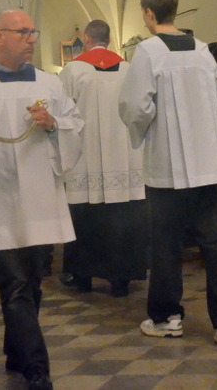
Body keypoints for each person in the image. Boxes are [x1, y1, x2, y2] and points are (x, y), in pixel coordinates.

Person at [0, 10, 83, 390]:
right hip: (0, 196)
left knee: (34, 281)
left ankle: (15, 351)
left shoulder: (50, 83)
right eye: (22, 32)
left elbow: (75, 124)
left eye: (32, 32)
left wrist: (53, 124)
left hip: (40, 196)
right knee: (15, 283)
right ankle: (37, 368)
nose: (31, 39)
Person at [118, 0, 217, 346]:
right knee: (214, 243)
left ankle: (167, 317)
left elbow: (136, 107)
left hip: (167, 168)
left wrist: (146, 132)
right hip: (206, 166)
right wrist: (203, 138)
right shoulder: (203, 50)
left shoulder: (148, 52)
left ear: (148, 14)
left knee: (165, 244)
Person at [59, 19, 147, 297]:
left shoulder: (73, 70)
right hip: (125, 157)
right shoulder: (128, 69)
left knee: (86, 216)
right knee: (123, 217)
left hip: (87, 158)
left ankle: (82, 277)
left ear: (86, 39)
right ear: (109, 40)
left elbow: (62, 115)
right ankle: (121, 280)